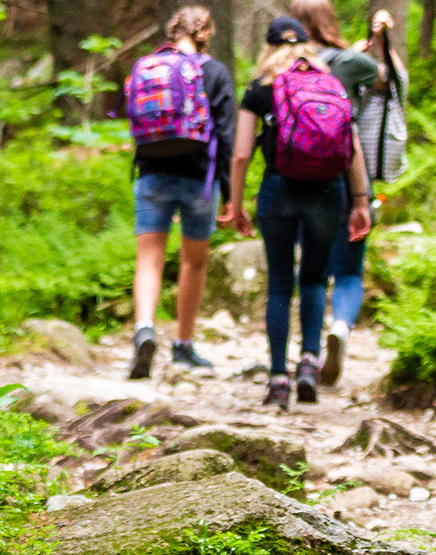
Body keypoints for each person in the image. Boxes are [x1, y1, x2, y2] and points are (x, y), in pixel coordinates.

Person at [226, 17, 373, 410]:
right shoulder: (331, 83)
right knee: (314, 279)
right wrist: (360, 203)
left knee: (278, 284)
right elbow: (353, 147)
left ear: (269, 47)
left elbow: (241, 153)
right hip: (328, 192)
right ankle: (309, 364)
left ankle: (278, 380)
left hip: (279, 191)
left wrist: (235, 205)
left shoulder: (260, 88)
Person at [289, 0, 401, 386]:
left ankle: (308, 354)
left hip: (299, 181)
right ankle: (340, 326)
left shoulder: (283, 63)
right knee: (350, 269)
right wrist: (377, 38)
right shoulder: (352, 63)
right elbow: (392, 81)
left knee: (312, 271)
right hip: (351, 175)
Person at [126, 6, 238, 380]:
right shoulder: (215, 71)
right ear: (205, 32)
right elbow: (225, 136)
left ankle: (144, 328)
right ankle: (184, 345)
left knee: (149, 259)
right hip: (199, 178)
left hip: (151, 174)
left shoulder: (148, 66)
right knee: (194, 262)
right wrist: (230, 195)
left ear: (173, 32)